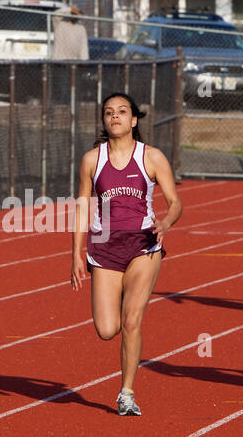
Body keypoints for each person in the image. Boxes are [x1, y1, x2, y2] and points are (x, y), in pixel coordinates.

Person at [71, 93, 182, 416]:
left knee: (132, 319)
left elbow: (175, 202)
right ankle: (120, 296)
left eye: (122, 112)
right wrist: (76, 254)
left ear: (134, 120)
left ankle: (126, 392)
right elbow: (82, 208)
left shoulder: (152, 157)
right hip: (104, 248)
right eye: (109, 113)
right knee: (107, 330)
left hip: (144, 245)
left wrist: (166, 221)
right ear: (104, 121)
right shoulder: (92, 160)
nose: (115, 117)